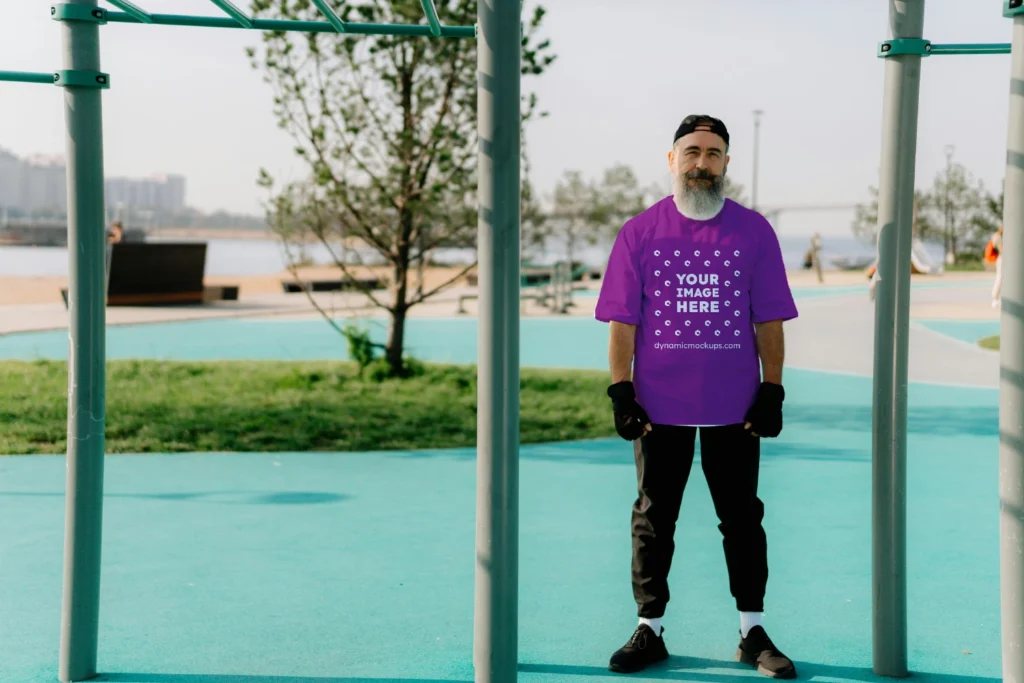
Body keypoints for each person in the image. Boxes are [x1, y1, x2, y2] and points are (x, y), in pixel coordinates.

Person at [594, 114, 799, 679]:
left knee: (742, 519)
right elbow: (622, 322)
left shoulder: (754, 231)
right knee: (654, 518)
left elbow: (770, 318)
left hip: (735, 410)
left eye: (713, 153)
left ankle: (751, 631)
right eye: (691, 152)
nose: (702, 163)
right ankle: (649, 629)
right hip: (661, 411)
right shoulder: (640, 232)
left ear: (726, 162)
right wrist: (621, 391)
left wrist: (772, 389)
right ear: (672, 160)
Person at [990, 225, 1003, 309]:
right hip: (1002, 259)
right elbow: (1000, 249)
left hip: (1006, 259)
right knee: (1000, 277)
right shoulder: (997, 236)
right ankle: (995, 298)